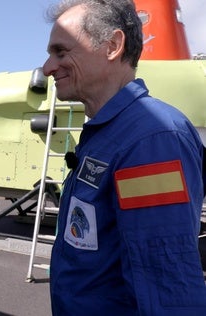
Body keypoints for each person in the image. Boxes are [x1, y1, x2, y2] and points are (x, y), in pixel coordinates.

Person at [42, 0, 206, 314]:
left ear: (113, 45)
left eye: (61, 52)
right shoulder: (107, 133)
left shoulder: (150, 140)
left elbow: (166, 291)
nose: (48, 67)